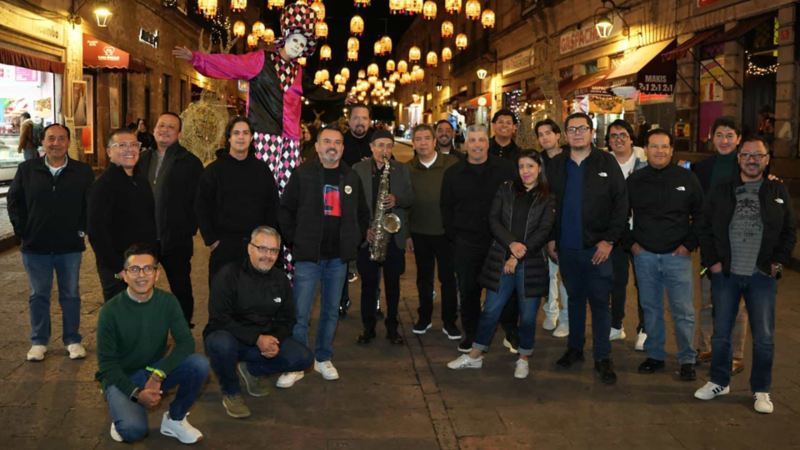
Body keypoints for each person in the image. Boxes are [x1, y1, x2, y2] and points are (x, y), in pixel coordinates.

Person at [174, 2, 343, 196]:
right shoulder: (262, 60)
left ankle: (282, 227)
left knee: (288, 193)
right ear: (286, 37)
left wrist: (344, 98)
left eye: (303, 45)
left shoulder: (298, 72)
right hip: (264, 136)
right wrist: (197, 58)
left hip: (291, 142)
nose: (298, 47)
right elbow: (231, 64)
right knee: (260, 190)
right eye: (296, 41)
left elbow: (319, 92)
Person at [694, 136, 796, 414]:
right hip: (726, 274)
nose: (752, 160)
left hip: (761, 276)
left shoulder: (777, 190)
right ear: (739, 158)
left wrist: (778, 262)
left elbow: (789, 230)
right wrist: (712, 262)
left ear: (766, 159)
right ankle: (718, 381)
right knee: (721, 334)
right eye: (747, 155)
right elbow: (704, 227)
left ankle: (761, 390)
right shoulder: (722, 189)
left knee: (764, 336)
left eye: (758, 155)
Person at [447, 150, 555, 379]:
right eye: (521, 167)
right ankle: (476, 355)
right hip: (501, 260)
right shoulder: (506, 189)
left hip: (530, 264)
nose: (525, 171)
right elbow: (494, 220)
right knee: (491, 310)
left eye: (530, 166)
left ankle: (524, 357)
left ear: (539, 168)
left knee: (527, 316)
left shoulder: (547, 196)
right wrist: (510, 245)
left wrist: (517, 255)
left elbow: (543, 231)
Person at [278, 126, 369, 382]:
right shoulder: (303, 174)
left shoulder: (350, 177)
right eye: (327, 141)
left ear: (342, 147)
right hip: (308, 257)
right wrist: (294, 240)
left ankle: (322, 358)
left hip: (337, 259)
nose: (332, 146)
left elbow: (363, 214)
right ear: (316, 146)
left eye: (337, 142)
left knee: (330, 311)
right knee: (300, 313)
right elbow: (285, 210)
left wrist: (355, 238)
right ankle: (296, 364)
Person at [96, 243, 209, 444]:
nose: (142, 275)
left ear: (157, 274)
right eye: (134, 269)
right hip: (121, 377)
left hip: (151, 370)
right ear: (124, 275)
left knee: (199, 364)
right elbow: (106, 366)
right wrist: (137, 394)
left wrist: (158, 375)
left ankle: (175, 419)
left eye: (148, 268)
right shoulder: (109, 312)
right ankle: (122, 414)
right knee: (132, 431)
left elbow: (186, 343)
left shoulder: (167, 302)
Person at [546, 112, 627, 385]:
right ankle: (575, 349)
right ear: (565, 135)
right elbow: (548, 204)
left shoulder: (607, 162)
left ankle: (603, 357)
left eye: (582, 128)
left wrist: (609, 241)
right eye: (572, 129)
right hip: (566, 249)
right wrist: (550, 238)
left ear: (592, 133)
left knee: (601, 305)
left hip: (598, 249)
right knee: (575, 301)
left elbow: (621, 204)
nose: (577, 133)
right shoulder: (557, 165)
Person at [204, 226, 313, 418]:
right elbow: (219, 318)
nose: (267, 256)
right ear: (249, 248)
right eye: (262, 248)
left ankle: (252, 369)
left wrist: (273, 340)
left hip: (263, 338)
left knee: (303, 358)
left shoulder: (280, 279)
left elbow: (288, 319)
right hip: (232, 337)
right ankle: (231, 391)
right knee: (220, 344)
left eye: (273, 251)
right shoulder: (228, 275)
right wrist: (256, 338)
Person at [8, 123, 94, 362]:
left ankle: (72, 339)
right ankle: (39, 341)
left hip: (69, 246)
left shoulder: (82, 171)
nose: (55, 143)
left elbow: (90, 205)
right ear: (42, 142)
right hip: (35, 246)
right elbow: (15, 202)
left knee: (71, 295)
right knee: (38, 294)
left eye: (61, 138)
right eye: (50, 139)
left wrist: (82, 230)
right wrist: (22, 231)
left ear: (68, 142)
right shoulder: (27, 169)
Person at [628, 129, 703, 381]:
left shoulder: (687, 178)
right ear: (645, 150)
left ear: (671, 150)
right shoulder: (635, 180)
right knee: (651, 309)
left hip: (677, 257)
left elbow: (702, 215)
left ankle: (687, 359)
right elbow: (618, 214)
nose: (659, 151)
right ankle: (655, 355)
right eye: (654, 146)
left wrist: (688, 245)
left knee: (683, 311)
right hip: (644, 255)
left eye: (664, 147)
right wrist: (632, 244)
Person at [441, 124, 516, 352]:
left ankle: (511, 333)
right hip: (466, 242)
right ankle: (471, 335)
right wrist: (456, 237)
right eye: (472, 140)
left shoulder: (506, 169)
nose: (476, 145)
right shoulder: (453, 173)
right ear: (465, 144)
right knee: (469, 292)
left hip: (500, 242)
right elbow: (446, 208)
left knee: (506, 291)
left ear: (487, 142)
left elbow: (515, 202)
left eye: (481, 140)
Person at [136, 112, 203, 326]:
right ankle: (145, 326)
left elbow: (199, 199)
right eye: (161, 125)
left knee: (180, 284)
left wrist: (189, 227)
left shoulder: (190, 162)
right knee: (142, 283)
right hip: (145, 237)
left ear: (179, 133)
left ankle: (183, 325)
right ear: (154, 129)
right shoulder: (141, 159)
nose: (164, 130)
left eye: (170, 127)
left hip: (176, 237)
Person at [195, 116, 280, 284]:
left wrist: (267, 240)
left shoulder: (262, 170)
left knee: (253, 298)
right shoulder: (213, 171)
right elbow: (201, 206)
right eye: (236, 133)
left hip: (257, 246)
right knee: (222, 297)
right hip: (224, 246)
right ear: (229, 138)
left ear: (251, 138)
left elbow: (272, 206)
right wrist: (211, 240)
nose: (241, 137)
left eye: (245, 133)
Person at [692, 117, 748, 374]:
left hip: (743, 244)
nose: (724, 141)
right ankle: (707, 347)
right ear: (711, 138)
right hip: (711, 244)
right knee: (707, 300)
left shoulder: (748, 166)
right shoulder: (702, 168)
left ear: (738, 139)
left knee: (738, 304)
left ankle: (735, 353)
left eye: (729, 135)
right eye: (719, 135)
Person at [352, 129, 413, 345]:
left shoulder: (401, 169)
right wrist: (363, 231)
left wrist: (397, 199)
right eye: (380, 145)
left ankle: (392, 328)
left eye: (388, 145)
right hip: (369, 235)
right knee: (368, 285)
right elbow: (353, 205)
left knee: (393, 286)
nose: (384, 150)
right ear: (371, 147)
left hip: (393, 236)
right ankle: (368, 328)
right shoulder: (358, 169)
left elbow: (410, 198)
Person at [88, 129, 157, 302]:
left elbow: (149, 221)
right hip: (118, 267)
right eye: (122, 145)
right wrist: (118, 268)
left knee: (142, 314)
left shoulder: (141, 180)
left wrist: (154, 258)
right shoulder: (103, 186)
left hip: (142, 263)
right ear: (109, 151)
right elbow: (97, 233)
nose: (130, 149)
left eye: (134, 145)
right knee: (120, 317)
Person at [407, 124, 460, 339]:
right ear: (413, 143)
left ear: (434, 141)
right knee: (424, 278)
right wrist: (407, 234)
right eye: (418, 139)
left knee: (448, 279)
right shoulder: (408, 168)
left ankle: (449, 321)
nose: (422, 142)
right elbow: (404, 204)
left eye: (426, 138)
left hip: (446, 233)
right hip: (420, 232)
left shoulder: (451, 164)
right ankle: (425, 317)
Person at [605, 119, 648, 346]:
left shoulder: (645, 161)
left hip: (642, 232)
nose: (618, 139)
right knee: (616, 280)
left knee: (644, 282)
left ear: (631, 138)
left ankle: (644, 328)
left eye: (623, 134)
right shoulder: (603, 163)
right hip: (615, 232)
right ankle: (615, 324)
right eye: (613, 136)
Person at [535, 119, 569, 338]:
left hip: (566, 221)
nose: (545, 137)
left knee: (565, 274)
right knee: (547, 272)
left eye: (549, 132)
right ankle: (551, 311)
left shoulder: (570, 158)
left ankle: (566, 319)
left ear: (558, 135)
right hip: (543, 222)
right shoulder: (537, 160)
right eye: (540, 134)